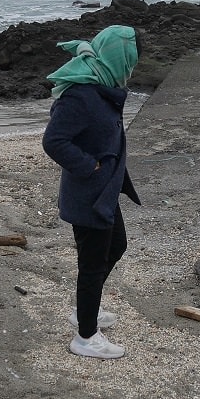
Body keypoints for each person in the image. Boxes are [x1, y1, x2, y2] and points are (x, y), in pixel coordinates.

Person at [41, 25, 141, 359]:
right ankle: (85, 336)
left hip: (106, 191)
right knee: (92, 264)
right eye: (131, 60)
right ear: (118, 58)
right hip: (89, 195)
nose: (132, 69)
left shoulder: (102, 84)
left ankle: (87, 307)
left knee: (118, 245)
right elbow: (53, 140)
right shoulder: (80, 94)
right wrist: (90, 166)